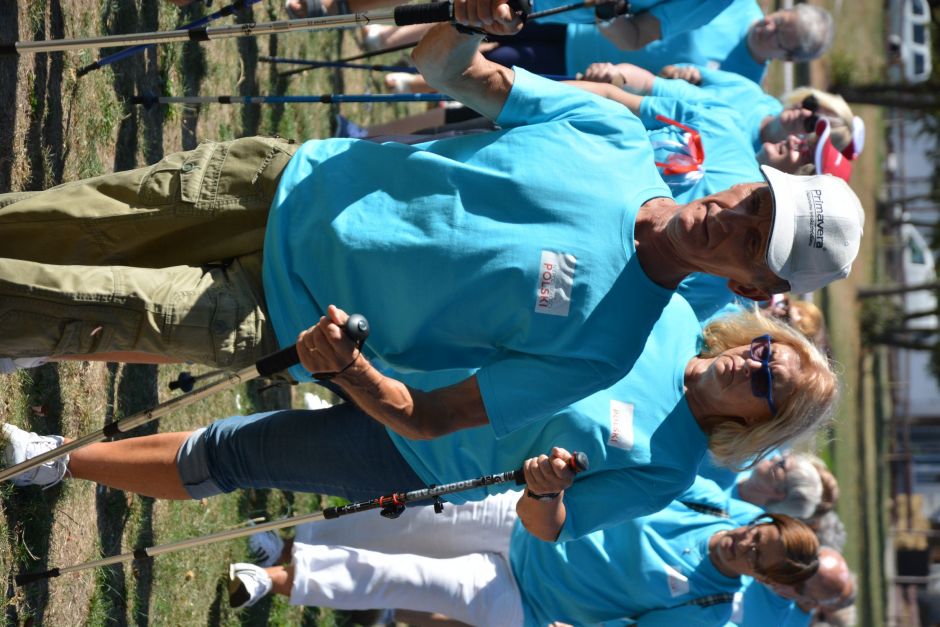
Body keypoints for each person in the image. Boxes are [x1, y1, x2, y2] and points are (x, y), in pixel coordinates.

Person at [0, 11, 864, 437]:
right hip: (279, 180)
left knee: (51, 302)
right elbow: (449, 70)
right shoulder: (613, 132)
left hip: (280, 316)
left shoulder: (607, 350)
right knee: (51, 225)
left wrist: (350, 369)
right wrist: (470, 20)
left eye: (754, 240)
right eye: (754, 201)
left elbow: (428, 417)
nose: (731, 218)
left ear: (755, 284)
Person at [3, 305, 839, 547]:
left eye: (769, 384)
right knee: (241, 337)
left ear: (761, 422)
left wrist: (544, 491)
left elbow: (551, 528)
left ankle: (57, 461)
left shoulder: (672, 468)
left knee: (240, 451)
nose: (754, 363)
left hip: (415, 449)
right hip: (418, 344)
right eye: (769, 350)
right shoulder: (669, 317)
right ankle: (51, 333)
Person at [224, 494, 819, 626]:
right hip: (525, 520)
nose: (745, 544)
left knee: (410, 578)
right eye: (758, 534)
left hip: (524, 601)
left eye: (757, 557)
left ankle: (272, 578)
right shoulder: (709, 501)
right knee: (406, 523)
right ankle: (295, 540)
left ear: (764, 581)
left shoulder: (709, 608)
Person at [373, 2, 834, 92]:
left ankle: (408, 80)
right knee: (478, 14)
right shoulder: (742, 7)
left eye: (781, 36)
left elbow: (645, 36)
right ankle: (385, 34)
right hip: (569, 20)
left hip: (583, 67)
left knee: (493, 61)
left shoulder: (743, 83)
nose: (769, 27)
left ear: (789, 57)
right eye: (780, 19)